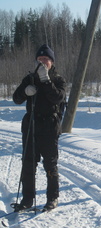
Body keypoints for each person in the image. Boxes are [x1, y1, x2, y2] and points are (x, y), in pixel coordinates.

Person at [12, 44, 67, 211]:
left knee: (50, 164)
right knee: (28, 164)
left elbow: (58, 98)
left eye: (46, 59)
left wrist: (46, 81)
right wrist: (24, 92)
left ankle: (52, 198)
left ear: (51, 62)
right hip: (31, 126)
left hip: (50, 126)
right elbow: (16, 99)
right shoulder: (29, 79)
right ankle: (28, 199)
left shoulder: (58, 80)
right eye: (40, 59)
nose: (43, 62)